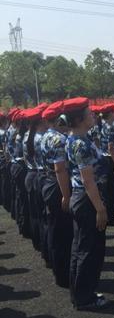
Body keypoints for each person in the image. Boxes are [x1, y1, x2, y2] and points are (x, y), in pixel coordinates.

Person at [65, 97, 108, 310]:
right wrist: (100, 209)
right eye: (89, 113)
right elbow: (88, 180)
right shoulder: (80, 143)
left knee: (81, 247)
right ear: (79, 119)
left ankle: (81, 293)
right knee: (87, 249)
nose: (93, 115)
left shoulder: (77, 139)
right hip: (86, 198)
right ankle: (84, 298)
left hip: (83, 196)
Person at [41, 101, 73, 286]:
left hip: (48, 182)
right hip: (58, 185)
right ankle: (63, 274)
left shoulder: (46, 136)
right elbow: (60, 169)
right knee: (62, 232)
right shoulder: (59, 139)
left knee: (54, 228)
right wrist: (66, 196)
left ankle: (57, 268)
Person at [23, 105, 47, 252]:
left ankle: (38, 243)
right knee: (42, 215)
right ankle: (43, 245)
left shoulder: (27, 135)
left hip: (30, 174)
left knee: (34, 213)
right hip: (39, 175)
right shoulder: (41, 138)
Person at [98, 104, 114, 226]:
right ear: (111, 113)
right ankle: (110, 216)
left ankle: (109, 215)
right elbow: (111, 147)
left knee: (107, 189)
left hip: (103, 158)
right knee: (111, 190)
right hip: (109, 159)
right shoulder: (110, 127)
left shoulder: (101, 125)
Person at [11, 109, 31, 238]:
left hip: (16, 166)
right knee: (23, 198)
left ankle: (22, 224)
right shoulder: (23, 136)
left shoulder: (16, 133)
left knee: (20, 197)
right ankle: (25, 226)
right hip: (21, 167)